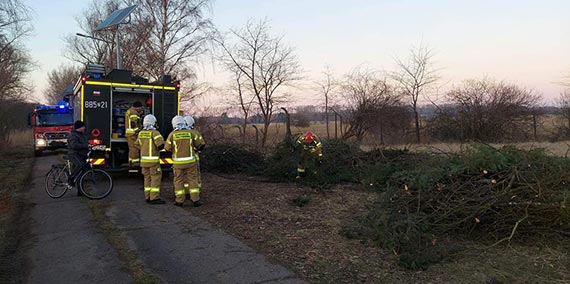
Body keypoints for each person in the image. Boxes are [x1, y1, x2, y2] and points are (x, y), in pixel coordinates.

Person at [165, 115, 205, 207]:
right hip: (190, 162)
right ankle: (195, 200)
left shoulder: (172, 135)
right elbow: (199, 145)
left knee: (178, 181)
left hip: (178, 163)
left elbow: (167, 148)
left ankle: (179, 201)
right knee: (193, 180)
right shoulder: (190, 133)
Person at [135, 114, 166, 205]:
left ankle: (147, 196)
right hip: (153, 162)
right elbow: (160, 145)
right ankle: (154, 198)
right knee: (155, 179)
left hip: (144, 162)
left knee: (147, 179)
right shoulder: (155, 133)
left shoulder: (141, 133)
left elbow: (137, 144)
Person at [183, 115, 205, 201]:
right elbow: (201, 145)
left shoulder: (179, 133)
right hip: (193, 159)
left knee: (184, 177)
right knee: (194, 177)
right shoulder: (195, 133)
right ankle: (195, 194)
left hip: (181, 160)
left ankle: (186, 192)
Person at [67, 120, 89, 195]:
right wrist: (85, 146)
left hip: (81, 155)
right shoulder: (73, 135)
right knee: (80, 166)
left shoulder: (82, 135)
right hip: (74, 154)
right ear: (79, 127)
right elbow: (74, 146)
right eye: (83, 126)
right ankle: (70, 179)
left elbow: (85, 143)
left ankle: (80, 191)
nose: (84, 128)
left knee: (81, 173)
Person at [125, 101, 144, 167]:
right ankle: (135, 164)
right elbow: (134, 124)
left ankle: (131, 162)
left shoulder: (130, 111)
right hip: (133, 134)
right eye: (141, 108)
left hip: (130, 134)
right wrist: (139, 131)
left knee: (131, 149)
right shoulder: (134, 113)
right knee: (134, 149)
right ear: (137, 107)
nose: (142, 109)